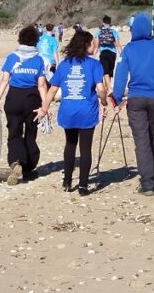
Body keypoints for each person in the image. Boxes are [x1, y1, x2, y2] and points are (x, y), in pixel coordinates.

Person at [112, 13, 154, 196]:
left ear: (133, 30)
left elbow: (120, 77)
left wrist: (116, 98)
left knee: (142, 140)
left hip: (137, 98)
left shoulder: (129, 49)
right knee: (153, 135)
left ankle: (147, 183)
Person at [41, 30, 106, 196]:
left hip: (68, 111)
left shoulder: (64, 64)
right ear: (86, 45)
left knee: (70, 145)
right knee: (85, 149)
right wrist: (104, 102)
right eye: (93, 43)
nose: (95, 45)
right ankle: (83, 186)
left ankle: (67, 181)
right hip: (87, 111)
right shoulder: (95, 65)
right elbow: (100, 89)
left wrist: (44, 108)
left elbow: (52, 89)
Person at [0, 25, 49, 185]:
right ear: (36, 40)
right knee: (31, 134)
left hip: (14, 98)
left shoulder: (12, 57)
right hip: (32, 99)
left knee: (14, 133)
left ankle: (16, 162)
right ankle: (28, 169)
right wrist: (45, 106)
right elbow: (42, 85)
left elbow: (4, 80)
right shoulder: (39, 60)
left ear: (21, 39)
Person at [94, 15, 122, 95]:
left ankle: (109, 88)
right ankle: (107, 89)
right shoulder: (114, 32)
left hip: (103, 52)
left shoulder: (98, 32)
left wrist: (94, 55)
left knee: (105, 72)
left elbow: (97, 45)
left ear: (103, 22)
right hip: (113, 53)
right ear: (110, 23)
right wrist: (122, 53)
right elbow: (117, 44)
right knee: (109, 72)